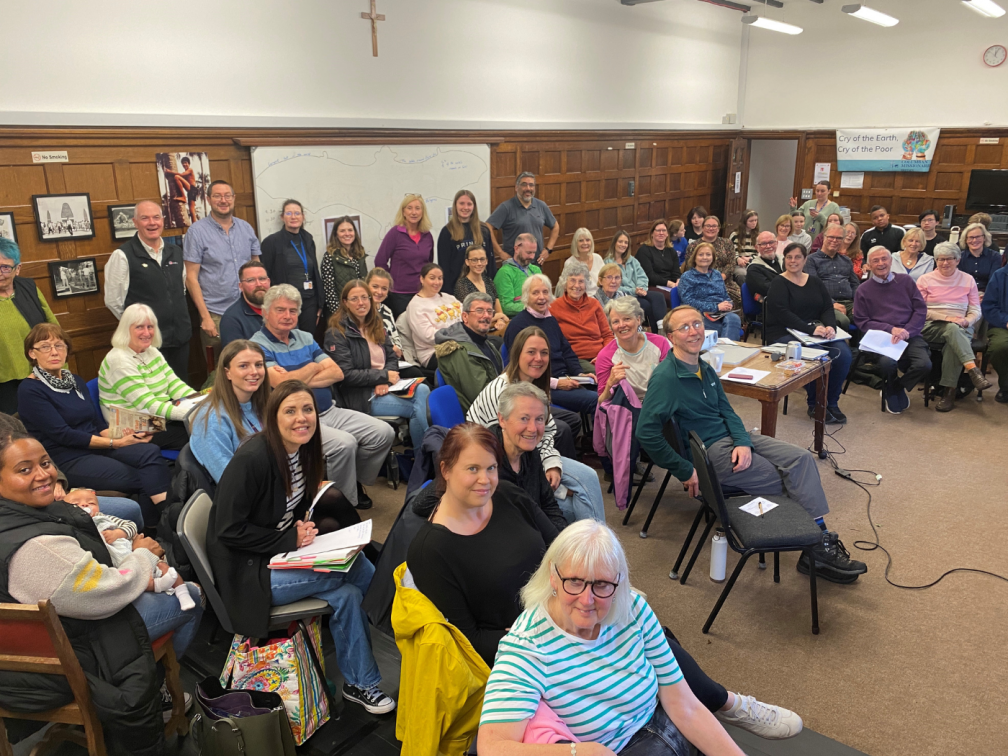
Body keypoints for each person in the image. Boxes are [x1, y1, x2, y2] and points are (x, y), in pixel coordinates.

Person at [478, 520, 801, 755]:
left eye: (602, 585)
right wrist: (578, 753)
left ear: (619, 581)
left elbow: (684, 706)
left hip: (667, 726)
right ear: (553, 576)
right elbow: (491, 747)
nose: (587, 600)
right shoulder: (527, 647)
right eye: (574, 582)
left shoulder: (631, 607)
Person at [0, 430, 203, 755]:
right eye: (25, 470)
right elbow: (106, 594)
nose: (43, 475)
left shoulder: (20, 517)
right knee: (191, 596)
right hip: (71, 649)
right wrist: (143, 556)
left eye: (45, 462)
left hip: (49, 634)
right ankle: (157, 691)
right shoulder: (37, 548)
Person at [207, 381, 395, 715]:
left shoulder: (302, 451)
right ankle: (400, 626)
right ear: (272, 416)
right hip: (249, 576)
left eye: (307, 409)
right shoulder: (252, 459)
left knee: (349, 594)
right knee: (354, 566)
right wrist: (287, 539)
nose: (301, 418)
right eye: (290, 411)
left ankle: (361, 683)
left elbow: (283, 507)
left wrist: (298, 527)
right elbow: (227, 531)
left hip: (275, 557)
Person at [640, 305, 866, 582]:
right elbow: (647, 433)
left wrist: (743, 441)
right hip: (709, 453)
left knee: (801, 460)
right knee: (782, 481)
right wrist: (685, 470)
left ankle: (816, 547)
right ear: (671, 336)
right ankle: (817, 547)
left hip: (731, 439)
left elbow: (728, 412)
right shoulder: (666, 378)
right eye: (684, 327)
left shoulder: (704, 367)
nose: (693, 331)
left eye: (697, 324)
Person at [406, 423, 561, 670]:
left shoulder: (507, 494)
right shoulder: (430, 551)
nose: (485, 480)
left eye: (491, 468)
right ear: (445, 470)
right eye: (472, 469)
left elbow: (559, 547)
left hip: (559, 615)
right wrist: (533, 638)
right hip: (515, 655)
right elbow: (467, 640)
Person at [251, 284, 395, 509]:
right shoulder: (258, 345)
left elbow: (336, 372)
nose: (288, 316)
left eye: (293, 311)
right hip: (296, 418)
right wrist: (313, 366)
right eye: (281, 310)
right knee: (344, 444)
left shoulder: (305, 337)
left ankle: (351, 481)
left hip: (330, 410)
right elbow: (281, 385)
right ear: (266, 312)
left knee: (383, 433)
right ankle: (338, 504)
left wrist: (296, 376)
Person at [18, 323, 172, 514]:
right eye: (45, 347)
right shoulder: (30, 390)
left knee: (149, 452)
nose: (54, 352)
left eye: (59, 346)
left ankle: (167, 517)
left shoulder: (75, 381)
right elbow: (63, 435)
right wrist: (116, 443)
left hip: (98, 445)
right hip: (67, 457)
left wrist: (125, 438)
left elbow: (96, 423)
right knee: (144, 477)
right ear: (32, 354)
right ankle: (160, 522)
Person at [468, 326, 606, 524]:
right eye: (531, 352)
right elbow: (501, 453)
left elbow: (546, 432)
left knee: (589, 477)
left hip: (529, 455)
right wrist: (551, 487)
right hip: (498, 468)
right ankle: (594, 551)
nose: (538, 358)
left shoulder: (535, 387)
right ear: (517, 355)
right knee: (575, 506)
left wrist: (551, 464)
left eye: (544, 353)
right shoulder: (502, 391)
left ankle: (592, 550)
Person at [325, 279, 431, 452]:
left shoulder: (375, 324)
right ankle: (425, 456)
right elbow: (346, 374)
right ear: (345, 303)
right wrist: (382, 377)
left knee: (423, 390)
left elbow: (391, 356)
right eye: (354, 299)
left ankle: (424, 456)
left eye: (365, 297)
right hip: (360, 396)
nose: (361, 303)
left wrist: (385, 379)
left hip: (385, 386)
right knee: (417, 408)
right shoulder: (336, 334)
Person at [104, 200, 191, 381]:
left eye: (156, 217)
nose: (152, 223)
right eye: (145, 218)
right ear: (135, 223)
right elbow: (114, 301)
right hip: (147, 344)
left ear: (163, 221)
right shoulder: (122, 256)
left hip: (180, 339)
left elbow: (180, 289)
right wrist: (138, 328)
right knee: (155, 395)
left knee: (179, 392)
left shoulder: (175, 252)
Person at [766, 243, 852, 425]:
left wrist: (830, 327)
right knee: (819, 356)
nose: (793, 261)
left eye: (798, 257)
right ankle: (816, 403)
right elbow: (783, 314)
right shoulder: (779, 282)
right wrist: (811, 329)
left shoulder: (814, 281)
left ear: (805, 259)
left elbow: (827, 307)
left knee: (843, 354)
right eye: (789, 257)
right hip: (784, 332)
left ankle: (831, 402)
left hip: (812, 331)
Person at [71, 490, 194, 610]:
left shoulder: (105, 518)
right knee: (138, 580)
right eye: (76, 504)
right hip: (118, 561)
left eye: (91, 503)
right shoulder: (74, 528)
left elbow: (131, 526)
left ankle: (183, 593)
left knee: (166, 568)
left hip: (129, 548)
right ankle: (157, 585)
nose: (85, 505)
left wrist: (118, 533)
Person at [184, 179, 262, 364]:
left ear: (233, 198)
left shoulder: (246, 228)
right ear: (209, 200)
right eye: (217, 196)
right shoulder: (196, 232)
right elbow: (191, 278)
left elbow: (257, 267)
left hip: (248, 310)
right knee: (221, 368)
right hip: (217, 314)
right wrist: (205, 317)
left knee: (254, 362)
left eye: (227, 196)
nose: (223, 200)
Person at [98, 303, 195, 451]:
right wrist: (192, 413)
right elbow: (148, 406)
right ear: (126, 330)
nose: (147, 332)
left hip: (157, 419)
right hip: (133, 426)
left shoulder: (151, 351)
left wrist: (199, 402)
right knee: (201, 434)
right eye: (139, 327)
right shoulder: (118, 361)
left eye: (150, 327)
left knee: (210, 425)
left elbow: (174, 384)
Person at [853, 247, 932, 414]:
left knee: (924, 365)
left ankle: (894, 387)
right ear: (869, 265)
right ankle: (892, 384)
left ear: (891, 261)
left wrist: (907, 331)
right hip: (882, 337)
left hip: (909, 334)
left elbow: (920, 310)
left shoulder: (906, 281)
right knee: (887, 364)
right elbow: (862, 321)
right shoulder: (863, 290)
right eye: (876, 260)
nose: (881, 263)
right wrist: (890, 329)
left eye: (884, 259)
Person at [503, 275, 598, 415]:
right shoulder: (518, 325)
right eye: (535, 293)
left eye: (545, 292)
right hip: (542, 386)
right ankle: (598, 437)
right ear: (526, 297)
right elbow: (521, 370)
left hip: (566, 378)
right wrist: (556, 383)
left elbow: (567, 351)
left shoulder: (550, 320)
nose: (541, 297)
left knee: (608, 390)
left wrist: (579, 374)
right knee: (598, 400)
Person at [916, 242, 992, 412]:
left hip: (961, 326)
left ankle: (949, 393)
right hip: (931, 325)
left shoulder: (968, 279)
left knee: (953, 337)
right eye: (940, 259)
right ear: (936, 260)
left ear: (958, 260)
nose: (945, 263)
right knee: (952, 329)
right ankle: (972, 370)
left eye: (949, 259)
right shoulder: (925, 279)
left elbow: (975, 309)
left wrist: (968, 321)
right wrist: (946, 318)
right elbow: (920, 310)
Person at [189, 339, 270, 483]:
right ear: (228, 373)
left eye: (258, 365)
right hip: (247, 495)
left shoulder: (263, 405)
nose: (254, 372)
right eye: (243, 366)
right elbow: (229, 480)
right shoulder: (213, 419)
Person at [493, 384, 571, 533]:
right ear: (502, 419)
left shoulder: (530, 451)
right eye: (524, 418)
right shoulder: (487, 460)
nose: (533, 428)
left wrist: (562, 544)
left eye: (539, 419)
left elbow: (548, 504)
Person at [0, 238, 58, 414]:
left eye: (5, 267)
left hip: (39, 372)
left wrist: (57, 365)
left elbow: (52, 328)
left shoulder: (29, 287)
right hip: (4, 382)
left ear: (18, 269)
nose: (0, 272)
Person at [259, 199, 324, 334]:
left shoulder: (308, 239)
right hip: (285, 303)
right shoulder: (271, 242)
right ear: (282, 217)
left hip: (309, 301)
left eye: (297, 213)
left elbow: (314, 271)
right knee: (287, 338)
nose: (293, 217)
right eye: (289, 213)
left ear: (303, 216)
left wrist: (320, 303)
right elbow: (265, 276)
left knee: (307, 339)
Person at [434, 292, 504, 412]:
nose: (486, 316)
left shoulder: (485, 343)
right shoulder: (461, 351)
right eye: (479, 310)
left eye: (489, 311)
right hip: (481, 420)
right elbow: (483, 397)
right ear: (465, 317)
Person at [596, 297, 670, 404]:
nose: (621, 325)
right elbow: (601, 401)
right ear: (611, 326)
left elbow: (672, 380)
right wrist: (610, 383)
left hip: (661, 402)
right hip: (629, 411)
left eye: (627, 319)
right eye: (616, 321)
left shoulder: (660, 343)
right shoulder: (605, 355)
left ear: (638, 320)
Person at [374, 194, 435, 318]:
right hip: (399, 295)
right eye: (409, 208)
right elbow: (380, 261)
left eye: (417, 208)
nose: (414, 212)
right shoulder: (395, 233)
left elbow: (429, 264)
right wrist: (390, 283)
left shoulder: (427, 235)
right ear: (404, 212)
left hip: (422, 293)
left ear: (422, 212)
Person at [485, 172, 558, 267]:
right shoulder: (506, 207)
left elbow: (555, 226)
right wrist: (500, 253)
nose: (528, 188)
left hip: (536, 264)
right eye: (524, 184)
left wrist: (548, 249)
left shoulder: (541, 206)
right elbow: (487, 227)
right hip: (514, 265)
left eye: (531, 185)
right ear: (516, 187)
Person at [549, 261, 612, 368]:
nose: (577, 285)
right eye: (572, 280)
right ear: (565, 283)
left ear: (586, 284)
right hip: (574, 359)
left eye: (581, 281)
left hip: (600, 356)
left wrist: (603, 355)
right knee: (606, 375)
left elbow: (607, 335)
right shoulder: (553, 307)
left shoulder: (594, 304)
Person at [678, 242, 742, 341]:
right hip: (700, 313)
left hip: (721, 313)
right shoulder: (687, 276)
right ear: (694, 258)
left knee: (734, 319)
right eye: (701, 254)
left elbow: (725, 295)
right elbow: (687, 301)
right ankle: (728, 351)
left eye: (708, 254)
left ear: (713, 258)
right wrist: (715, 307)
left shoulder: (716, 274)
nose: (705, 257)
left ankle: (726, 351)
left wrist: (729, 303)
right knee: (723, 330)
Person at [606, 230, 667, 332]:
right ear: (614, 243)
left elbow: (643, 277)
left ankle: (662, 329)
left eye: (626, 242)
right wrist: (634, 290)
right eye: (620, 241)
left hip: (639, 292)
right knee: (646, 305)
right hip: (623, 296)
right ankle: (656, 333)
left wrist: (640, 288)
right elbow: (613, 286)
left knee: (659, 296)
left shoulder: (632, 260)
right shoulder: (608, 263)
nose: (623, 245)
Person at [406, 263, 463, 370]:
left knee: (492, 343)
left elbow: (466, 317)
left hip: (461, 342)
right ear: (422, 279)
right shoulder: (415, 306)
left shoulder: (448, 298)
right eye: (432, 278)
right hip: (433, 352)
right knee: (468, 355)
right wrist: (459, 334)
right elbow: (429, 336)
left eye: (440, 278)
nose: (437, 282)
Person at [803, 223, 859, 331]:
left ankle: (859, 347)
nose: (834, 240)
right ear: (824, 237)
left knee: (867, 317)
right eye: (831, 237)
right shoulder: (811, 260)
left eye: (839, 238)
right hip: (825, 304)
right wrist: (832, 303)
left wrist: (858, 303)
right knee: (843, 320)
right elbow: (814, 288)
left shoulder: (846, 260)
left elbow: (855, 284)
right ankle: (841, 347)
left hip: (849, 302)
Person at [438, 189, 496, 292]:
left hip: (481, 286)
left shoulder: (484, 230)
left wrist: (491, 287)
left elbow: (490, 262)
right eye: (461, 203)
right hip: (457, 288)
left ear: (474, 207)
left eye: (469, 204)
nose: (465, 207)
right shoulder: (447, 232)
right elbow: (444, 267)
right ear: (455, 206)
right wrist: (448, 292)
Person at [684, 215, 741, 310]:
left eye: (714, 226)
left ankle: (734, 322)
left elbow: (731, 264)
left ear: (718, 228)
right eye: (708, 226)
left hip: (724, 281)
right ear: (702, 228)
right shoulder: (693, 246)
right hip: (700, 282)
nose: (711, 228)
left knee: (737, 297)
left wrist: (720, 278)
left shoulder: (727, 243)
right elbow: (690, 266)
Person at [321, 216, 369, 322]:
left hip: (360, 311)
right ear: (336, 234)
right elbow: (329, 291)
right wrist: (340, 315)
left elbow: (365, 284)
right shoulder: (330, 256)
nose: (347, 234)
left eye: (350, 230)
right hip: (340, 315)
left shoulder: (359, 254)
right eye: (342, 231)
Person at [453, 245, 509, 331]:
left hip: (493, 327)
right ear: (467, 262)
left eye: (482, 259)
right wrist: (498, 316)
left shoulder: (488, 281)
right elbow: (471, 317)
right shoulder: (462, 285)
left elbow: (499, 310)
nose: (479, 263)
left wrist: (500, 320)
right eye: (474, 260)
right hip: (474, 330)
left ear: (486, 261)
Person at [219, 259, 270, 346]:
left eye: (262, 279)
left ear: (269, 282)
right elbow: (237, 357)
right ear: (241, 286)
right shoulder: (231, 319)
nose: (258, 284)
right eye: (251, 280)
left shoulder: (283, 310)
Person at [494, 233, 542, 318]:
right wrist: (532, 307)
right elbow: (506, 307)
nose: (532, 257)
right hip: (518, 320)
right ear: (516, 249)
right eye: (528, 252)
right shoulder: (505, 273)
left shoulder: (536, 270)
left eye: (534, 253)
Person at [635, 219, 682, 304]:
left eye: (664, 230)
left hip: (670, 285)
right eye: (658, 230)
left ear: (667, 234)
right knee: (673, 297)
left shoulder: (671, 251)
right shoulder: (644, 250)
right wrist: (669, 283)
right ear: (652, 233)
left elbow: (676, 272)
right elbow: (649, 275)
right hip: (652, 285)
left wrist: (678, 281)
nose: (661, 233)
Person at [981, 262, 1008, 404]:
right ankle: (1006, 387)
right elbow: (989, 306)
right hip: (1002, 325)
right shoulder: (1000, 275)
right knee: (999, 347)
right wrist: (1006, 321)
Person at [558, 227, 605, 298]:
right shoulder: (570, 262)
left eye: (587, 240)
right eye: (581, 240)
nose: (585, 243)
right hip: (581, 299)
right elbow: (566, 288)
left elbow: (605, 279)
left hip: (601, 296)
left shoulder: (598, 258)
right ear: (575, 244)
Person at [957, 222, 1000, 295]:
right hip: (964, 295)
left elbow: (994, 282)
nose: (974, 240)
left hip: (987, 295)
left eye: (978, 237)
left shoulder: (995, 257)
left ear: (984, 238)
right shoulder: (959, 257)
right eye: (971, 237)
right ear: (966, 240)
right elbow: (959, 281)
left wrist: (985, 296)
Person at [746, 231, 783, 301]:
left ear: (777, 243)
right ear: (757, 247)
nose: (768, 246)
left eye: (771, 242)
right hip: (773, 306)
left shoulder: (786, 261)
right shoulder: (754, 269)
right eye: (763, 244)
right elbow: (770, 290)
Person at [728, 209, 759, 285]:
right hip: (739, 263)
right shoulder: (735, 235)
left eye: (755, 220)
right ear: (745, 221)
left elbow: (760, 253)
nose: (754, 223)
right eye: (751, 221)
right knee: (742, 275)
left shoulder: (758, 236)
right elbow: (730, 251)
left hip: (753, 262)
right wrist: (738, 258)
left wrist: (751, 258)